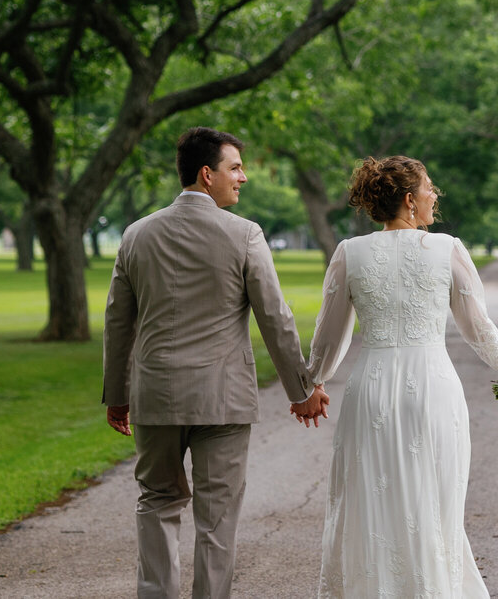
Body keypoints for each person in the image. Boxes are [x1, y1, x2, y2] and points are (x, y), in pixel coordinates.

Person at [103, 126, 331, 599]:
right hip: (222, 399)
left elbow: (117, 323)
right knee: (217, 516)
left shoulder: (135, 235)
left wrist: (117, 395)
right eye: (235, 168)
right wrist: (303, 390)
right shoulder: (244, 235)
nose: (243, 177)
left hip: (156, 396)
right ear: (207, 175)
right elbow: (275, 317)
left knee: (157, 503)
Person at [304, 155, 498, 598]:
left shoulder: (350, 253)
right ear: (409, 199)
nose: (434, 196)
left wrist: (314, 382)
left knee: (369, 505)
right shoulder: (447, 249)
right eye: (429, 189)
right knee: (434, 507)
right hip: (431, 389)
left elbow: (329, 335)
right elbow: (475, 323)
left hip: (371, 389)